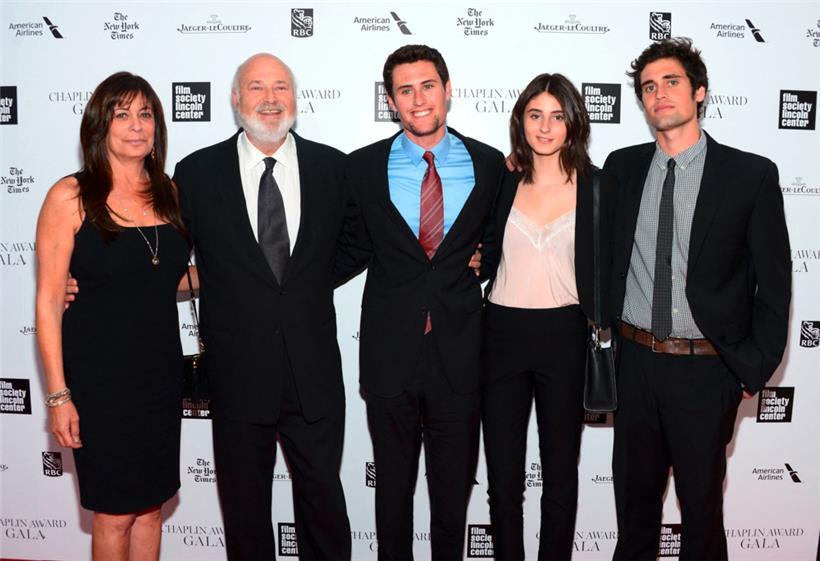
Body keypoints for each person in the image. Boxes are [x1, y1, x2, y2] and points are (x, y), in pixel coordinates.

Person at [604, 38, 790, 560]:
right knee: (633, 520)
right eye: (648, 87)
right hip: (635, 366)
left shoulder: (750, 175)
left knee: (702, 524)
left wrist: (750, 369)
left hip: (707, 372)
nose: (659, 94)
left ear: (699, 92)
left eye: (672, 82)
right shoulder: (621, 168)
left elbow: (775, 285)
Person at [172, 53, 352, 561]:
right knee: (245, 511)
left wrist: (306, 283)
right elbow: (166, 256)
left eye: (280, 87)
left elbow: (360, 241)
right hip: (236, 372)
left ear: (295, 98)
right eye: (256, 87)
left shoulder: (333, 168)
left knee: (323, 505)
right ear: (236, 99)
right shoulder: (197, 172)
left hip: (313, 370)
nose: (270, 99)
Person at [341, 44, 505, 560]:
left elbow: (503, 243)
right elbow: (344, 247)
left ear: (447, 89)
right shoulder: (361, 168)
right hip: (389, 356)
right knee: (391, 497)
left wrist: (484, 260)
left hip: (461, 355)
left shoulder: (490, 164)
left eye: (428, 86)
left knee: (452, 502)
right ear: (391, 101)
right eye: (405, 90)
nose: (418, 99)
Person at [36, 72, 189, 561]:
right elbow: (48, 302)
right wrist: (58, 396)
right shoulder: (71, 196)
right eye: (122, 115)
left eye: (145, 114)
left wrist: (243, 273)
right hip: (100, 383)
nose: (136, 126)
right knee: (115, 513)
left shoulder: (169, 193)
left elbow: (162, 278)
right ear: (100, 125)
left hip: (160, 376)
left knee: (151, 508)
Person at [480, 73, 614, 561]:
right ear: (521, 120)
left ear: (573, 123)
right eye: (535, 115)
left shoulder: (598, 186)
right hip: (501, 334)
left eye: (557, 116)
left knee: (560, 475)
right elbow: (480, 248)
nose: (545, 127)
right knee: (503, 479)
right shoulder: (502, 181)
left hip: (565, 336)